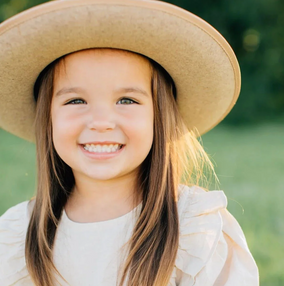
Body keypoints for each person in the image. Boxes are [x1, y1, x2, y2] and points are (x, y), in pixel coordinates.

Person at [0, 0, 259, 285]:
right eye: (76, 100)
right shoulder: (17, 235)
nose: (101, 122)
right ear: (47, 118)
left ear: (158, 117)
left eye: (127, 100)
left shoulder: (196, 229)